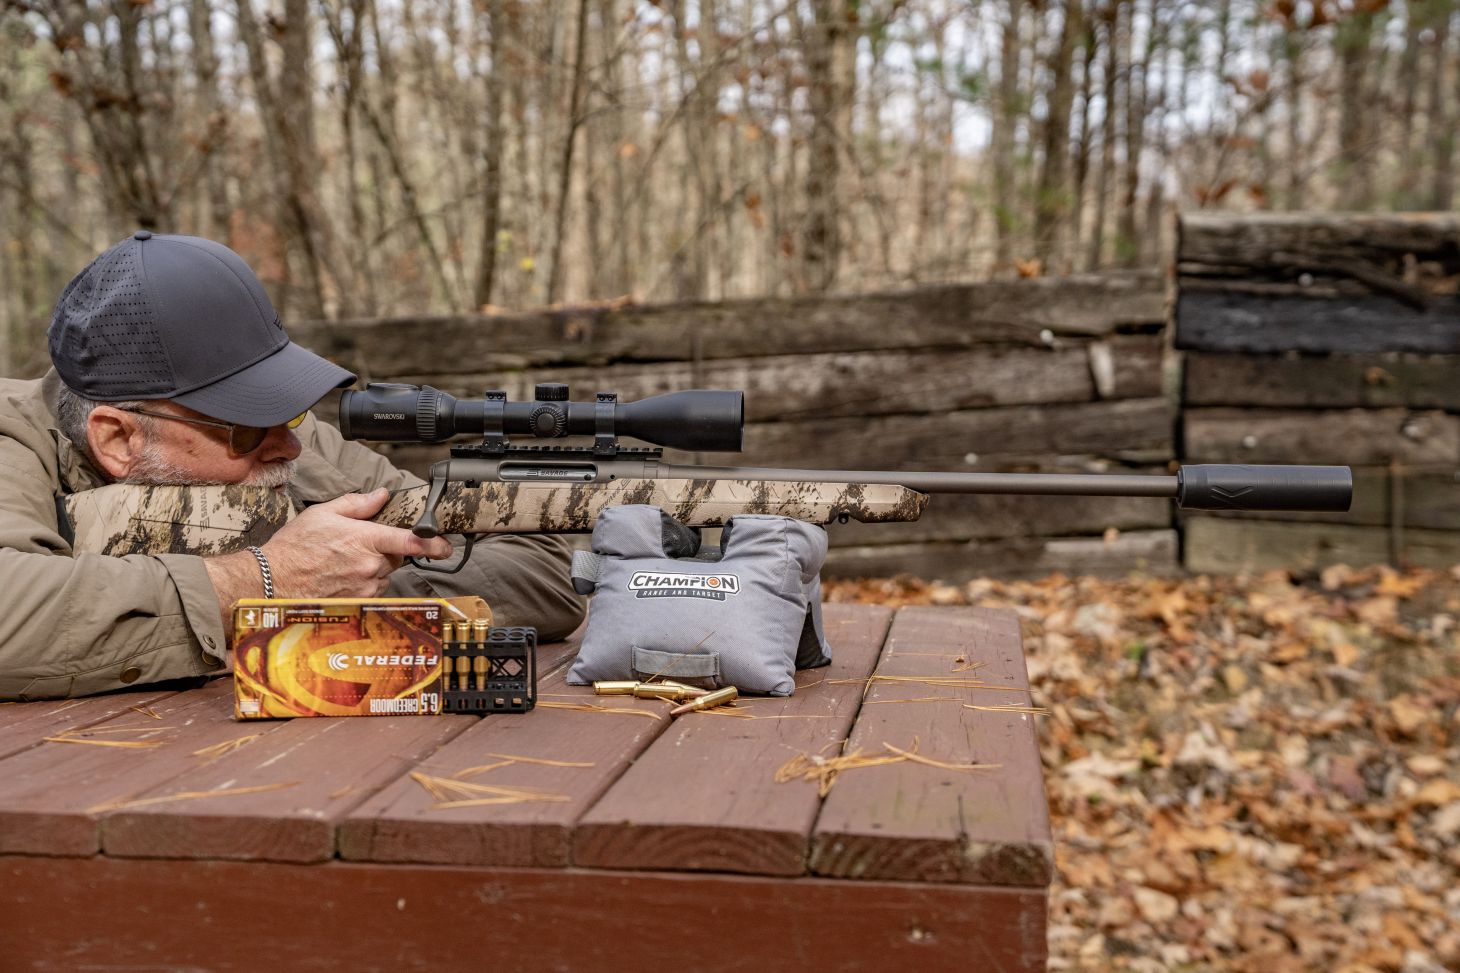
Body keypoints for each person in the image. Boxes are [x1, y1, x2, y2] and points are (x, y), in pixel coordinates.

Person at [0, 231, 584, 700]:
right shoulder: (12, 436)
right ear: (118, 440)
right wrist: (260, 581)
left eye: (288, 407)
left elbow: (538, 572)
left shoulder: (285, 443)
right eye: (245, 422)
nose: (290, 446)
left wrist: (342, 579)